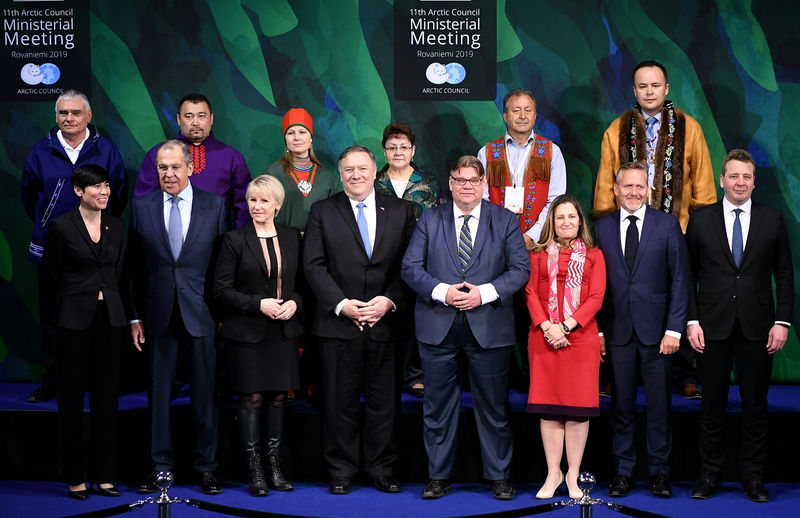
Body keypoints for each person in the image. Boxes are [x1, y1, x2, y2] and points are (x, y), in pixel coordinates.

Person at [401, 155, 529, 501]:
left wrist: (483, 294)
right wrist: (443, 292)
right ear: (451, 184)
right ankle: (439, 476)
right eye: (460, 180)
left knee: (494, 407)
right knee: (437, 407)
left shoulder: (504, 221)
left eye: (474, 180)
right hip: (437, 327)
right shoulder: (430, 218)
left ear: (484, 184)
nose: (467, 186)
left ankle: (499, 476)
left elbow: (520, 270)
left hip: (489, 327)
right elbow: (411, 268)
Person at [591, 60, 717, 399]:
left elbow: (703, 185)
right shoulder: (615, 130)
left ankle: (685, 372)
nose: (649, 91)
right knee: (621, 295)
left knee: (682, 294)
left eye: (655, 85)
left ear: (666, 89)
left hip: (679, 231)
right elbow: (606, 185)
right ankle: (613, 372)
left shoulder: (690, 128)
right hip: (629, 234)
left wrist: (700, 232)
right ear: (634, 90)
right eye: (643, 86)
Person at [303, 145, 416, 495]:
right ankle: (341, 470)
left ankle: (381, 469)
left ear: (373, 171)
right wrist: (341, 304)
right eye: (349, 169)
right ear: (340, 174)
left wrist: (388, 301)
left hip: (386, 322)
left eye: (362, 168)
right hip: (339, 324)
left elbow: (410, 266)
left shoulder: (402, 210)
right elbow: (314, 265)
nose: (356, 175)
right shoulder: (323, 211)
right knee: (339, 403)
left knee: (385, 404)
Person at [686, 149, 794, 503]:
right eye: (734, 176)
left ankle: (753, 479)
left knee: (755, 407)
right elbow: (687, 275)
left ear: (754, 181)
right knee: (711, 407)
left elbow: (784, 274)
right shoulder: (701, 220)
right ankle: (709, 476)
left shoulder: (772, 218)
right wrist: (691, 320)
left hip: (759, 328)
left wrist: (782, 321)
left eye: (746, 177)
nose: (740, 182)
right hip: (711, 328)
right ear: (722, 179)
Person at [128, 139, 227, 495]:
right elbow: (133, 268)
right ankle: (161, 467)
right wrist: (134, 316)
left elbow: (221, 267)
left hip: (201, 316)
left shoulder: (215, 206)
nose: (168, 174)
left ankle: (207, 468)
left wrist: (219, 313)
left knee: (204, 397)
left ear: (190, 167)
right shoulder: (141, 207)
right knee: (158, 399)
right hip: (156, 316)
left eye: (174, 167)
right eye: (162, 168)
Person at [21, 89, 128, 403]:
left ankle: (96, 381)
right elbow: (30, 197)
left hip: (96, 253)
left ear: (88, 117)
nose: (69, 119)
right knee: (52, 316)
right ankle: (54, 380)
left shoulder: (106, 151)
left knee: (98, 316)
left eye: (75, 113)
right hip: (52, 249)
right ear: (56, 116)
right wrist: (49, 226)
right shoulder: (40, 152)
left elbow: (118, 194)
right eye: (63, 113)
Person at [593, 162, 689, 499]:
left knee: (660, 407)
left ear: (648, 190)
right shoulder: (600, 229)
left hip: (658, 335)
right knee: (621, 407)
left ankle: (660, 474)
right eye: (627, 186)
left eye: (639, 187)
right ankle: (623, 473)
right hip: (617, 334)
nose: (634, 192)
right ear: (616, 190)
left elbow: (680, 280)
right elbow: (595, 286)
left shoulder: (667, 225)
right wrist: (600, 332)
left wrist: (674, 330)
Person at [41, 165, 127, 500]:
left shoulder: (118, 227)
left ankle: (105, 477)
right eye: (96, 187)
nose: (104, 192)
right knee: (72, 402)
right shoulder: (61, 227)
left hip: (110, 321)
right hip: (72, 324)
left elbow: (124, 277)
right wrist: (53, 327)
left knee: (108, 402)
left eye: (106, 186)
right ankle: (75, 478)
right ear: (79, 191)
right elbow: (49, 283)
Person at [214, 175, 303, 496]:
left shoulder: (294, 237)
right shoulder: (234, 240)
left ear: (277, 205)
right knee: (251, 399)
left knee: (279, 397)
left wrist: (294, 302)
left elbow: (304, 285)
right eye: (252, 200)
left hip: (283, 332)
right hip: (247, 333)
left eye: (264, 201)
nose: (257, 206)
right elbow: (220, 290)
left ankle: (275, 466)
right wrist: (257, 304)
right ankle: (254, 470)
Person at [525, 194, 606, 500]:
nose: (566, 222)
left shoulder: (595, 256)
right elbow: (531, 293)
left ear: (580, 221)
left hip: (580, 339)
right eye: (560, 218)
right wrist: (548, 327)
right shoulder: (538, 256)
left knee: (577, 411)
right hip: (544, 338)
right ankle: (552, 472)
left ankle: (573, 474)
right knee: (548, 411)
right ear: (552, 223)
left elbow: (596, 297)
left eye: (572, 217)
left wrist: (566, 326)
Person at [375, 122, 441, 398]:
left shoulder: (429, 182)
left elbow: (437, 222)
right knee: (384, 317)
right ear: (384, 151)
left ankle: (415, 374)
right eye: (392, 147)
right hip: (381, 258)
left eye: (403, 147)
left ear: (413, 150)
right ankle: (383, 375)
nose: (398, 152)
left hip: (420, 260)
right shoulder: (374, 181)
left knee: (417, 318)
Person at [135, 93, 251, 228]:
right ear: (178, 119)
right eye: (188, 116)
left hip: (219, 240)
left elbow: (245, 205)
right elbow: (143, 204)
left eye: (202, 116)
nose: (195, 122)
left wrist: (235, 242)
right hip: (169, 238)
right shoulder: (159, 154)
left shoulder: (231, 157)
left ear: (211, 118)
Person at [477, 88, 566, 247]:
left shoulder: (552, 152)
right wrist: (499, 234)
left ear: (535, 115)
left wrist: (532, 236)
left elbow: (555, 200)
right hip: (496, 241)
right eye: (516, 111)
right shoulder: (487, 153)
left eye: (528, 110)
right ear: (505, 116)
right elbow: (481, 199)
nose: (523, 116)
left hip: (539, 243)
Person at [265, 108, 341, 233]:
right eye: (291, 133)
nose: (296, 137)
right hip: (283, 244)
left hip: (318, 245)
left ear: (311, 137)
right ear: (286, 139)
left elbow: (335, 219)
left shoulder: (327, 177)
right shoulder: (272, 175)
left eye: (302, 132)